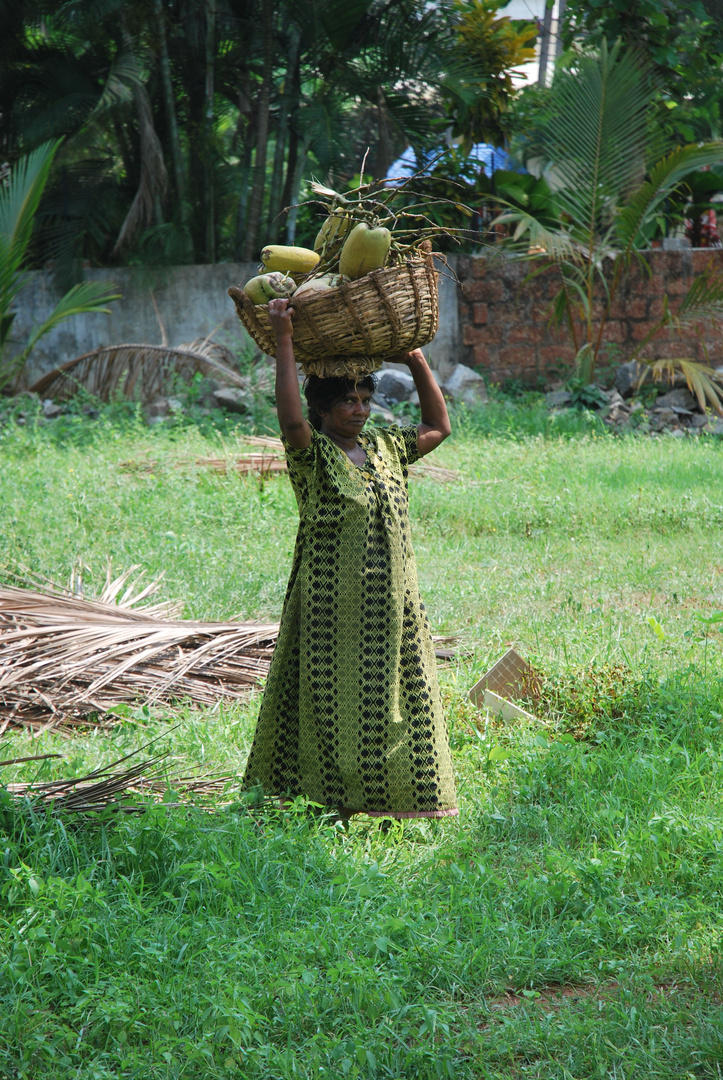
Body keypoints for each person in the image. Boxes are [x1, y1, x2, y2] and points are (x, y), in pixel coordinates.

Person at [242, 296, 458, 820]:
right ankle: (319, 803)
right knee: (327, 706)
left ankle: (401, 803)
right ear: (322, 409)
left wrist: (417, 361)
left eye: (365, 399)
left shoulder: (386, 446)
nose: (359, 409)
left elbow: (438, 428)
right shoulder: (312, 452)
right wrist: (285, 339)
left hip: (392, 606)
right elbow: (289, 418)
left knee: (399, 701)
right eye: (347, 401)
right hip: (330, 611)